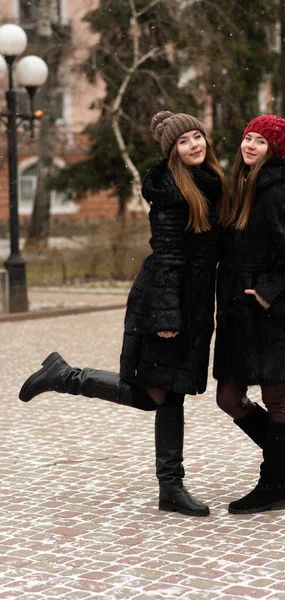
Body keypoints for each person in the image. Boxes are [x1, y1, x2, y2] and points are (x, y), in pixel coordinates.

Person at [19, 110, 229, 517]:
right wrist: (167, 317)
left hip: (193, 302)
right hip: (168, 299)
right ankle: (65, 377)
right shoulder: (172, 190)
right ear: (173, 152)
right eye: (184, 141)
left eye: (197, 136)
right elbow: (167, 256)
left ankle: (171, 488)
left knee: (169, 394)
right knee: (156, 394)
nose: (194, 145)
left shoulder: (211, 184)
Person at [214, 114, 285, 514]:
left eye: (261, 141)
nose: (250, 145)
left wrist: (266, 294)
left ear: (275, 150)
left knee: (276, 397)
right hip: (237, 317)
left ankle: (272, 486)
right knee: (228, 397)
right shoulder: (243, 187)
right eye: (248, 138)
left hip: (268, 316)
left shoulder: (279, 193)